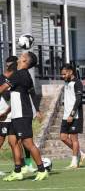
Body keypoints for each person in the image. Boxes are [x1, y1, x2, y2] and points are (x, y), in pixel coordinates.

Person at [0, 52, 48, 181]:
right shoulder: (22, 74)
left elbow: (2, 89)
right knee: (13, 142)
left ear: (25, 60)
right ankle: (17, 171)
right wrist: (6, 112)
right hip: (15, 114)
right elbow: (15, 96)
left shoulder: (19, 74)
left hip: (22, 115)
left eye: (22, 55)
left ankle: (42, 170)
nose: (20, 56)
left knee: (28, 144)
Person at [60, 64, 85, 169]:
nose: (63, 76)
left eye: (64, 74)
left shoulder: (77, 83)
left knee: (74, 138)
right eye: (61, 74)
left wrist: (72, 114)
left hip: (74, 115)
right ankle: (81, 153)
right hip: (65, 115)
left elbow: (78, 100)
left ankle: (74, 161)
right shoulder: (66, 82)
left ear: (71, 72)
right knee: (63, 137)